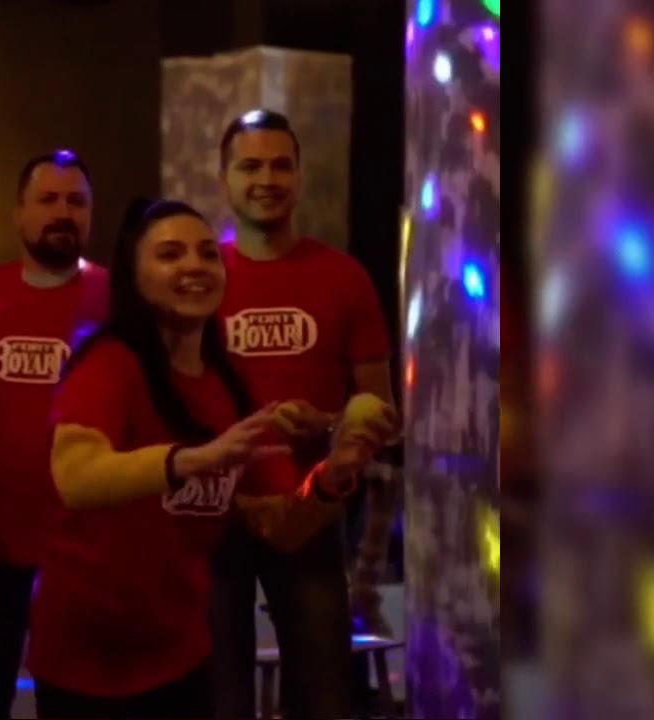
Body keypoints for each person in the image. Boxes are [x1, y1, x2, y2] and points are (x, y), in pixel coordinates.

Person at [27, 199, 395, 719]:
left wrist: (334, 474)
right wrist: (191, 460)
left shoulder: (227, 386)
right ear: (133, 275)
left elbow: (278, 523)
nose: (194, 266)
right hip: (89, 657)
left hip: (181, 652)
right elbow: (76, 476)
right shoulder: (110, 363)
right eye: (170, 254)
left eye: (207, 254)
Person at [210, 109, 400, 719]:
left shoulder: (344, 278)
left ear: (298, 175)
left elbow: (382, 415)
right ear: (224, 179)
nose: (266, 179)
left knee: (323, 697)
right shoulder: (198, 279)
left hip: (311, 511)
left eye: (280, 166)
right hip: (210, 513)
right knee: (218, 698)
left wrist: (328, 423)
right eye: (250, 166)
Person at [0, 149, 108, 720]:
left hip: (88, 551)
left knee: (78, 706)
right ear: (18, 213)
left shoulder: (119, 302)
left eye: (76, 201)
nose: (63, 212)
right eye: (48, 199)